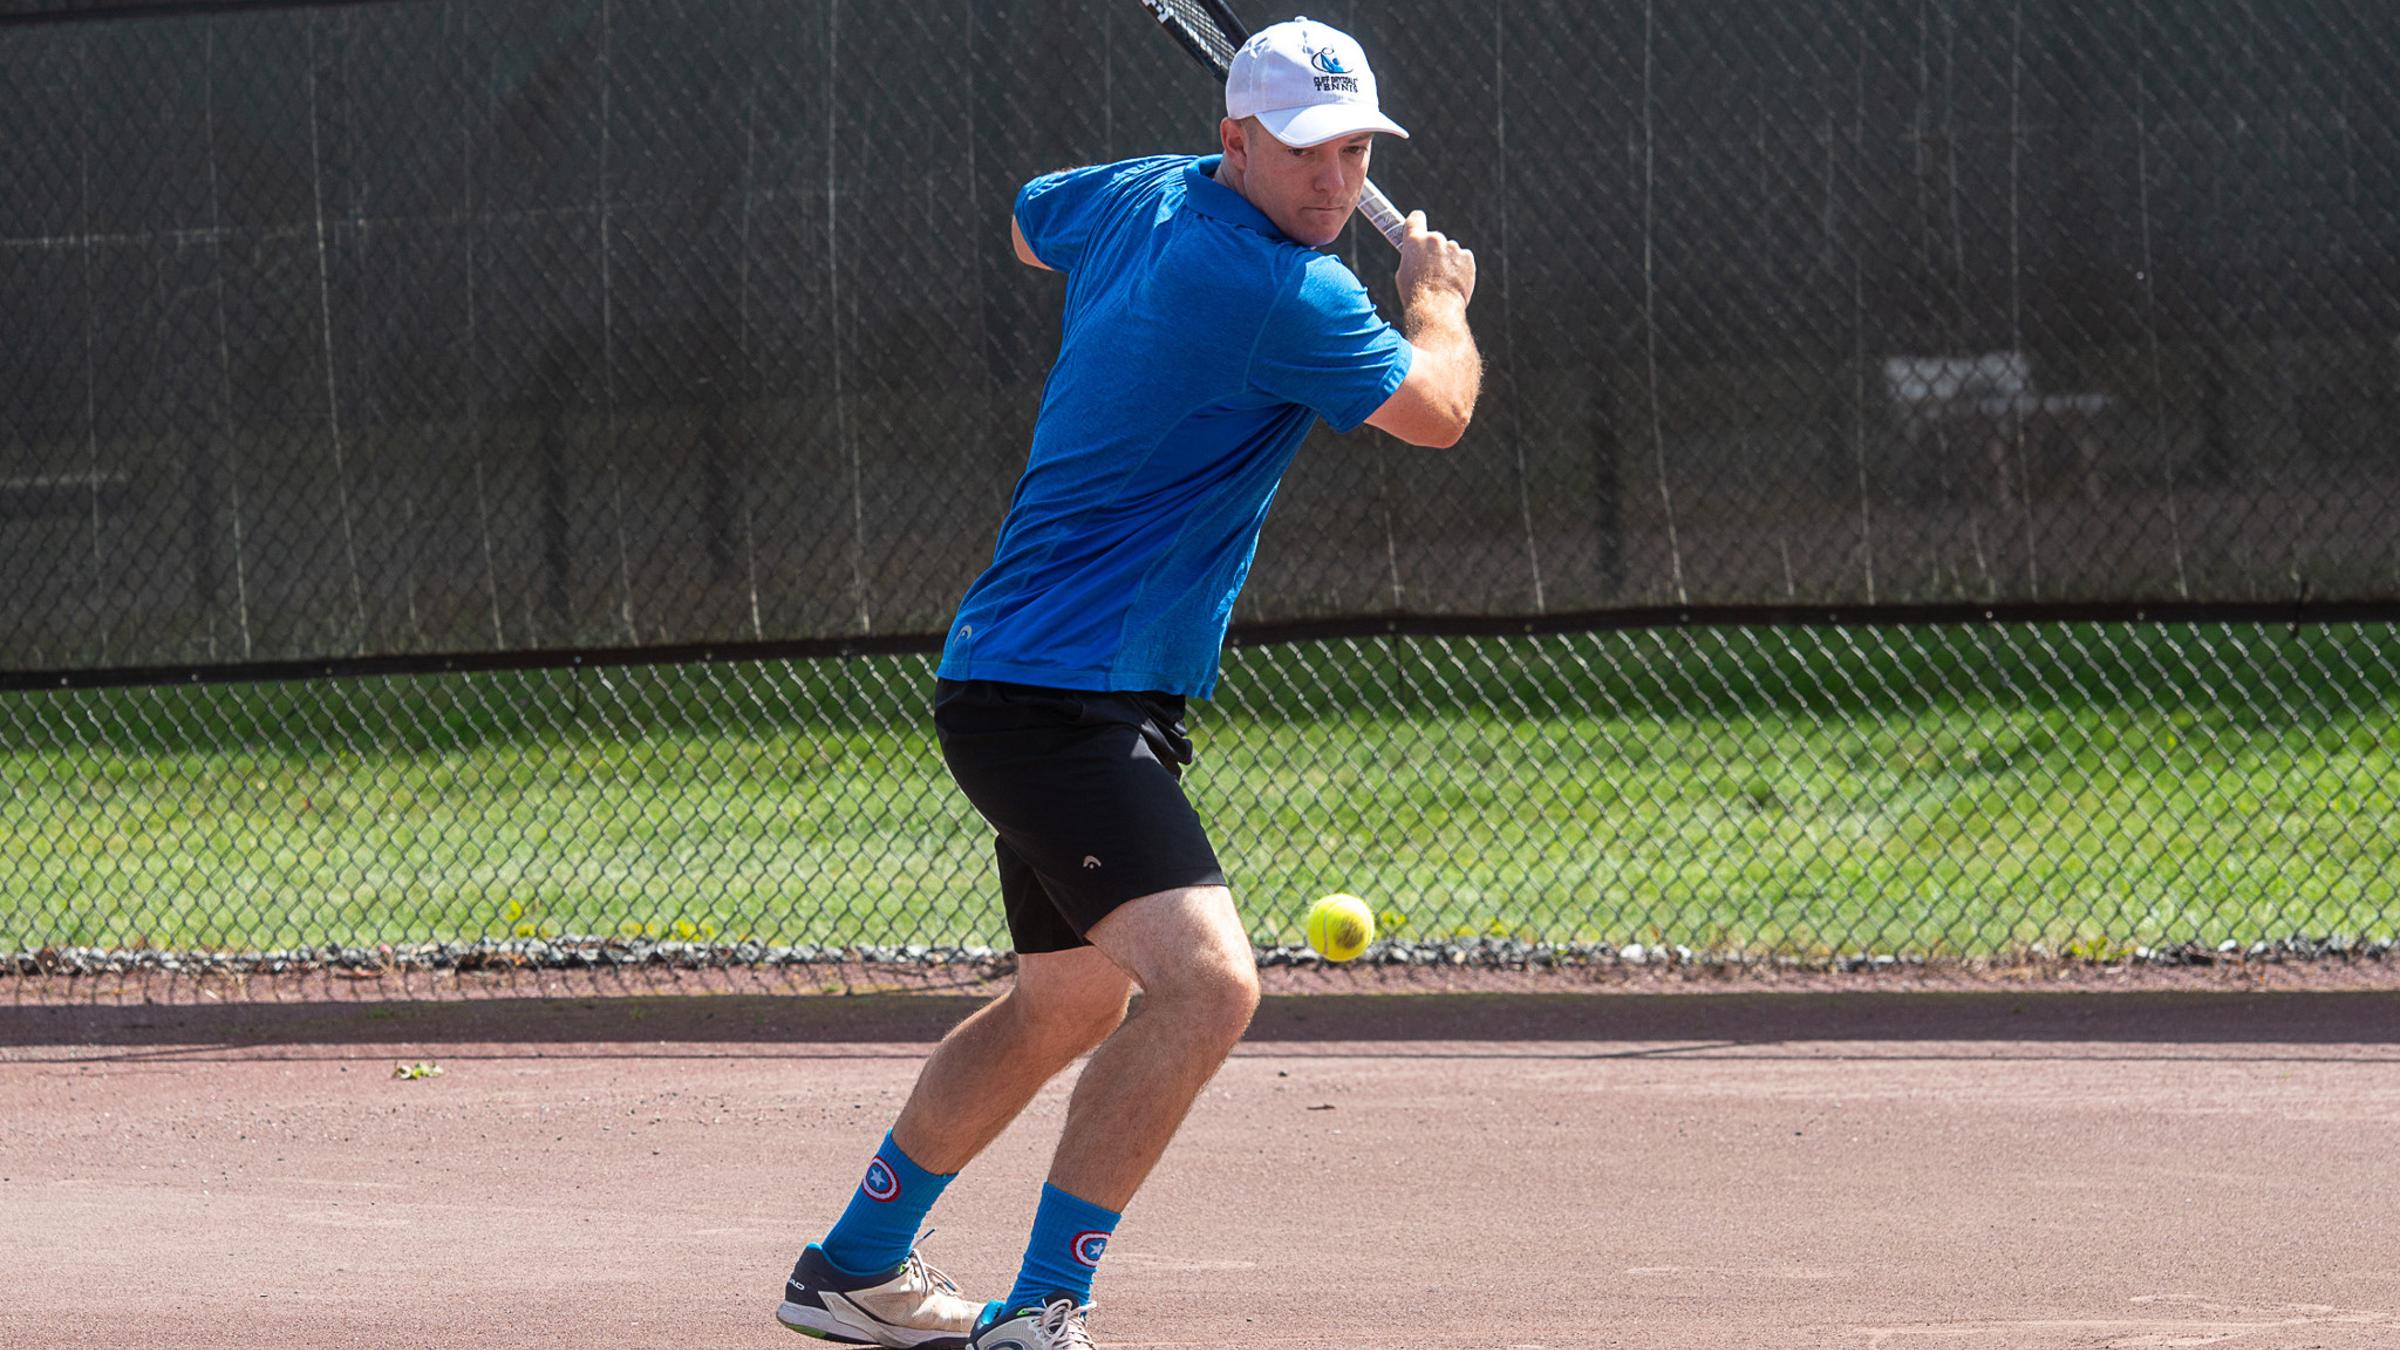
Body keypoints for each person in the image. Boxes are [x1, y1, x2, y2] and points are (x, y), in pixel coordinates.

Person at [776, 16, 1479, 1349]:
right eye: (1311, 153)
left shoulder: (1149, 195)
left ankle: (853, 1266)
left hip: (1032, 682)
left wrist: (1188, 188)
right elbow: (1438, 412)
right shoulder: (1289, 293)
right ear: (1240, 139)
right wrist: (1436, 297)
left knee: (1071, 999)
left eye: (1357, 152)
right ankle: (1043, 1305)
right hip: (1061, 699)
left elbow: (1037, 223)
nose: (1338, 181)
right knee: (1210, 984)